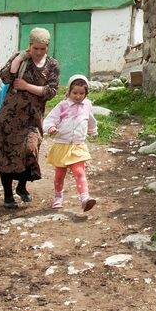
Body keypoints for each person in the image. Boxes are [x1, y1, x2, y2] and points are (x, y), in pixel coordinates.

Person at [0, 27, 59, 208]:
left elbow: (51, 91)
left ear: (47, 46)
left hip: (32, 118)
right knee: (5, 155)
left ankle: (22, 187)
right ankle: (8, 195)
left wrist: (26, 86)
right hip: (9, 117)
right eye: (35, 48)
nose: (39, 52)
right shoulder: (20, 58)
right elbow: (5, 77)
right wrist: (19, 58)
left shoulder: (52, 65)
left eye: (43, 48)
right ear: (30, 45)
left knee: (30, 150)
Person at [43, 74, 99, 212]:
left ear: (86, 93)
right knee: (59, 175)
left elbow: (91, 120)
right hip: (62, 144)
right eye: (75, 93)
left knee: (79, 172)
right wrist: (50, 127)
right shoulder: (63, 105)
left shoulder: (87, 105)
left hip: (78, 145)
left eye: (81, 93)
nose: (78, 96)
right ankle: (58, 196)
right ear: (68, 91)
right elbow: (50, 119)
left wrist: (93, 131)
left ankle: (84, 198)